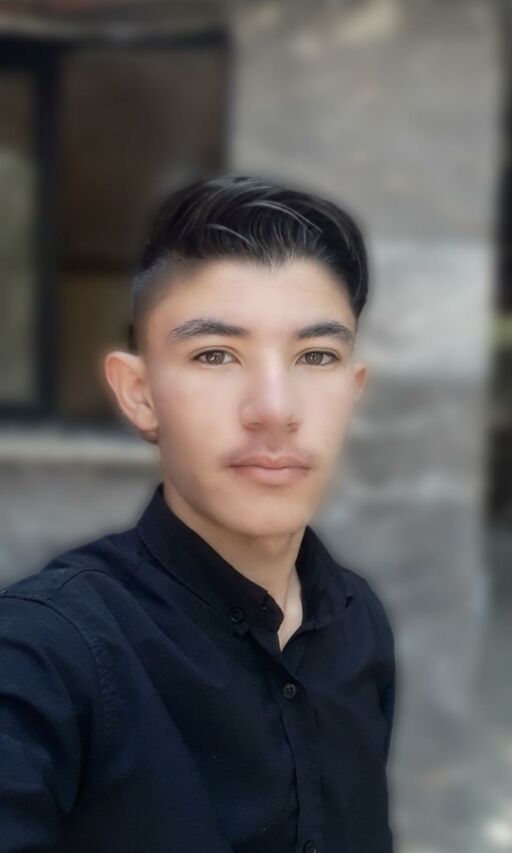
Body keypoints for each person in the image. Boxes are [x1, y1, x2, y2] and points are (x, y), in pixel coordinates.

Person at [0, 175, 397, 853]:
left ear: (352, 390)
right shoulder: (43, 655)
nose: (275, 408)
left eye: (316, 356)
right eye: (215, 354)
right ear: (139, 393)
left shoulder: (360, 622)